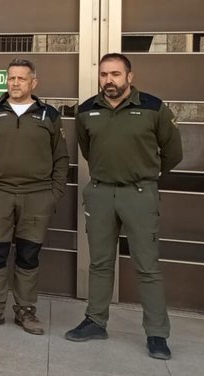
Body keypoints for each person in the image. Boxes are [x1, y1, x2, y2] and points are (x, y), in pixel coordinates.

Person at [66, 53, 183, 360]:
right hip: (101, 193)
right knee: (100, 263)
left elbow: (173, 152)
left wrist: (146, 173)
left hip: (139, 193)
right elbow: (88, 150)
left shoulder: (153, 108)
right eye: (104, 74)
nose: (109, 81)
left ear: (130, 77)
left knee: (147, 266)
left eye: (116, 74)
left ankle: (157, 333)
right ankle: (95, 320)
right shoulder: (87, 110)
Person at [0, 59, 68, 335]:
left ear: (33, 83)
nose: (15, 83)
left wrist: (53, 193)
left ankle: (25, 309)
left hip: (37, 196)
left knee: (28, 255)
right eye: (11, 78)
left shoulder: (48, 115)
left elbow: (61, 157)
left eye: (21, 79)